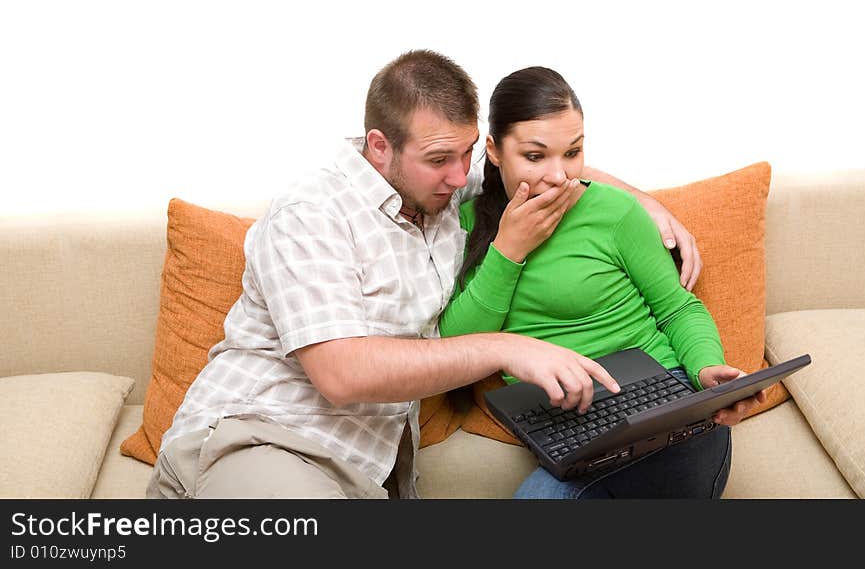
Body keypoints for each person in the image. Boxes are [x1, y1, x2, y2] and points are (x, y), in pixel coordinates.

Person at [147, 50, 704, 499]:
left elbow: (539, 162)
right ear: (380, 147)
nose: (460, 175)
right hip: (263, 441)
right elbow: (341, 373)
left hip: (364, 474)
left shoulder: (439, 186)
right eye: (440, 159)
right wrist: (504, 349)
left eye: (467, 156)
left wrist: (647, 203)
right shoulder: (311, 214)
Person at [439, 66, 765, 499]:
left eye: (572, 153)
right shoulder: (463, 226)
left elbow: (677, 308)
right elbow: (455, 346)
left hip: (666, 402)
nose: (559, 176)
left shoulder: (614, 211)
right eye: (535, 156)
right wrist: (509, 249)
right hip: (568, 424)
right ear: (495, 151)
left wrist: (705, 368)